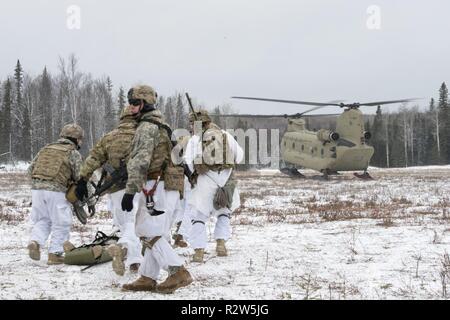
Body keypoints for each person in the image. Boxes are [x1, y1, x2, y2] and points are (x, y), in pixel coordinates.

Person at [120, 85, 192, 293]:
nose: (130, 107)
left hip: (156, 185)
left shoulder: (146, 127)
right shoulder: (164, 126)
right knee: (155, 231)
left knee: (146, 230)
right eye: (130, 103)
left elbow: (140, 161)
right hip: (170, 185)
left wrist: (130, 190)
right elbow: (179, 157)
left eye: (134, 103)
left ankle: (177, 271)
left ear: (144, 104)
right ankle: (147, 277)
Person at [75, 105, 142, 275]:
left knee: (125, 223)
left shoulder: (109, 137)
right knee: (135, 224)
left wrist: (83, 179)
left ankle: (132, 258)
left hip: (116, 189)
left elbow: (93, 159)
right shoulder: (143, 134)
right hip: (141, 186)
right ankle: (128, 255)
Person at [184, 110, 243, 263]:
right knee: (224, 212)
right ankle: (221, 244)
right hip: (225, 179)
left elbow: (189, 162)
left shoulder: (195, 139)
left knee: (199, 216)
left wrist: (196, 175)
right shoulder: (224, 134)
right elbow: (240, 155)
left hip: (205, 179)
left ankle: (199, 251)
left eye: (192, 123)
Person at [27, 124, 84, 265]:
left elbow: (30, 170)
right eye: (81, 139)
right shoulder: (73, 152)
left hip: (36, 189)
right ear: (76, 139)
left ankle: (35, 242)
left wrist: (39, 184)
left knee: (43, 219)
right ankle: (55, 254)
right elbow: (81, 177)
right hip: (57, 190)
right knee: (61, 222)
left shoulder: (45, 149)